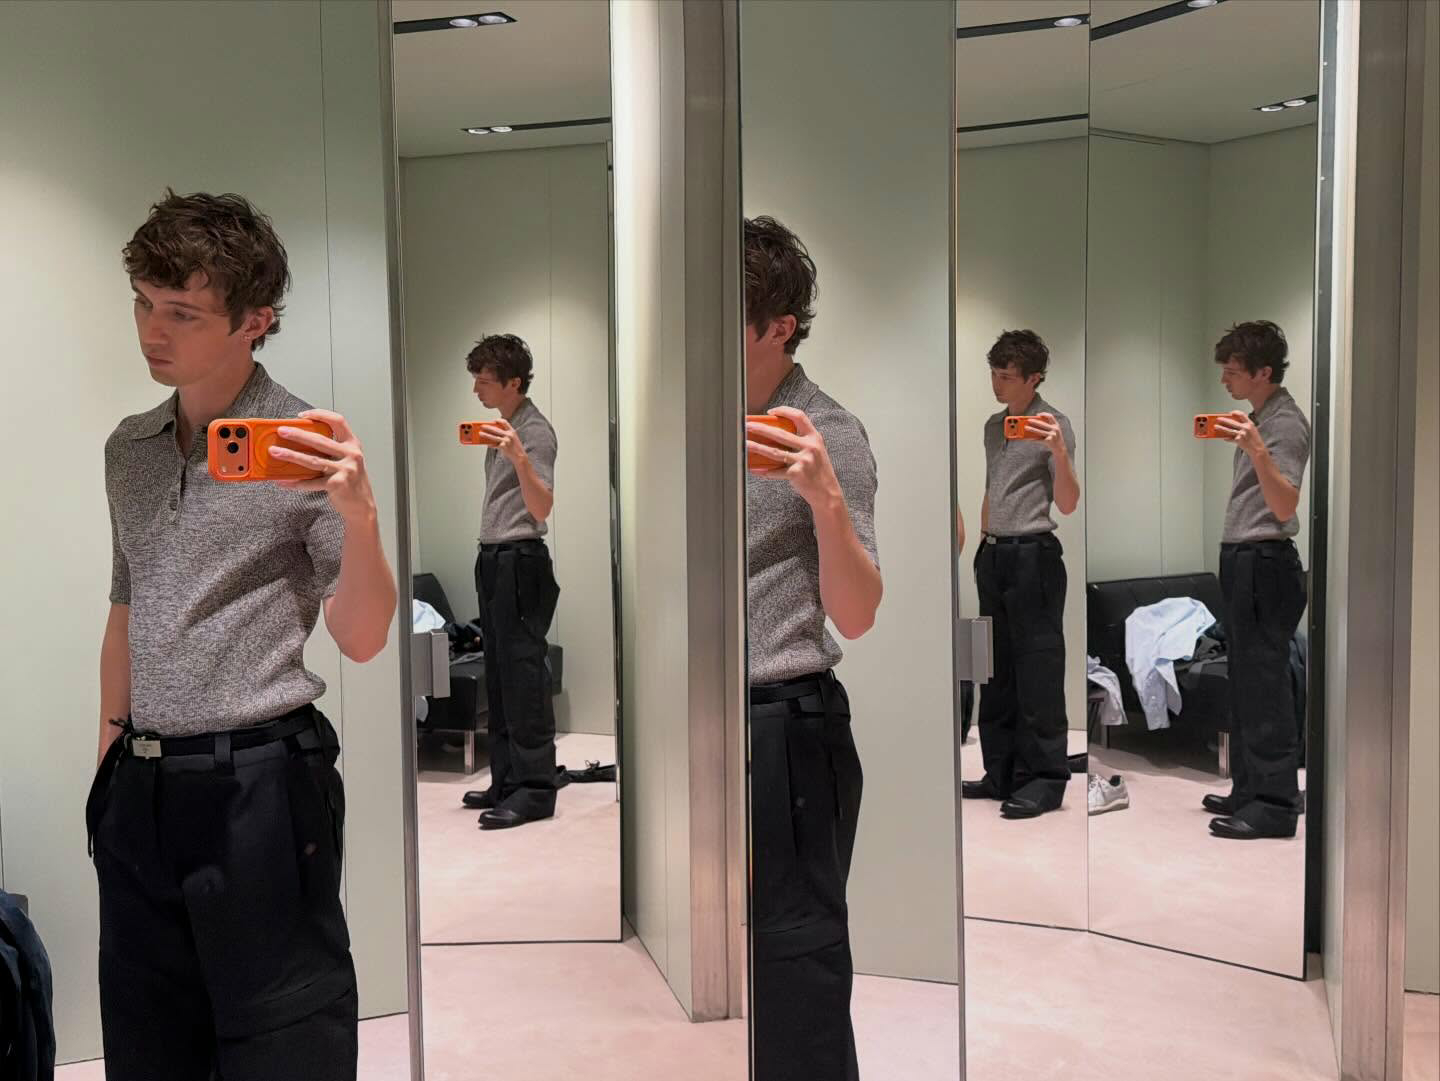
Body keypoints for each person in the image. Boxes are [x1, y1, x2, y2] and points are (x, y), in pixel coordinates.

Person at [91, 190, 397, 1080]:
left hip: (262, 781)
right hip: (142, 787)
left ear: (255, 320)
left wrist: (361, 518)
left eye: (182, 313)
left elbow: (364, 637)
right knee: (148, 1043)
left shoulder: (305, 447)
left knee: (284, 1041)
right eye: (144, 303)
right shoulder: (128, 448)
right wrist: (106, 773)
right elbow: (126, 608)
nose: (153, 331)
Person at [744, 216, 882, 1081]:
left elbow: (858, 613)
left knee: (797, 969)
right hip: (704, 717)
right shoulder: (696, 424)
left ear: (779, 326)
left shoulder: (831, 433)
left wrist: (826, 499)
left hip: (787, 728)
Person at [962, 329, 1079, 819]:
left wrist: (1059, 451)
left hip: (1035, 555)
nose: (997, 384)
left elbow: (1068, 503)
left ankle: (1045, 780)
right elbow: (994, 489)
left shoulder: (1056, 425)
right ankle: (1002, 773)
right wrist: (982, 543)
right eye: (994, 373)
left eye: (1007, 376)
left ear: (1034, 378)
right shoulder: (994, 427)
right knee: (996, 672)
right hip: (994, 555)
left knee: (1039, 672)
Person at [1203, 320, 1311, 840]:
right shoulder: (1258, 418)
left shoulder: (1284, 424)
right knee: (1246, 680)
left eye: (1233, 370)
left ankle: (1275, 804)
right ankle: (1249, 789)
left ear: (1263, 372)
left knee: (1265, 683)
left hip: (1266, 560)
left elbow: (1285, 505)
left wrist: (1259, 451)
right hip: (1245, 558)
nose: (1225, 379)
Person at [456, 334, 561, 830]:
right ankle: (505, 781)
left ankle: (535, 790)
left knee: (523, 676)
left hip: (521, 559)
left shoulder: (534, 433)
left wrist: (519, 457)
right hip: (495, 558)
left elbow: (542, 507)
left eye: (484, 381)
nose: (476, 389)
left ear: (513, 383)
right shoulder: (505, 428)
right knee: (498, 674)